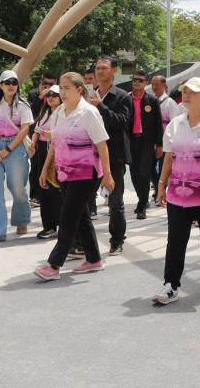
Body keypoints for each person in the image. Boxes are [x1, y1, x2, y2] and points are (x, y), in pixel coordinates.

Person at [152, 77, 200, 304]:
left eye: (192, 92)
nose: (186, 95)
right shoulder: (175, 124)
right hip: (178, 194)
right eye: (184, 91)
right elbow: (169, 157)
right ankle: (170, 285)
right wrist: (161, 185)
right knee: (176, 239)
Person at [33, 73, 115, 280]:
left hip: (86, 173)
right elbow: (56, 141)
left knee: (68, 216)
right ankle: (94, 259)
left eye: (67, 88)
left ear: (79, 89)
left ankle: (53, 265)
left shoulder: (89, 112)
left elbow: (102, 144)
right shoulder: (58, 112)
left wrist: (108, 175)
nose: (62, 92)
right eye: (60, 88)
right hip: (65, 172)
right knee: (81, 216)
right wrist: (45, 168)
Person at [0, 69, 34, 244]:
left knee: (17, 187)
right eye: (7, 82)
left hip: (15, 147)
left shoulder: (23, 105)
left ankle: (21, 219)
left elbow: (25, 129)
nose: (11, 86)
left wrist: (8, 149)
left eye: (14, 82)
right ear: (1, 85)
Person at [89, 56, 132, 255]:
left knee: (115, 201)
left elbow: (122, 122)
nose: (100, 71)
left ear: (114, 70)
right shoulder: (88, 95)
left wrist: (101, 106)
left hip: (114, 155)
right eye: (97, 68)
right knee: (83, 200)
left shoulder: (122, 96)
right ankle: (81, 242)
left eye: (104, 68)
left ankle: (117, 239)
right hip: (89, 155)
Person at [28, 85, 63, 239]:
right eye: (48, 95)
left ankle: (62, 225)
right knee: (43, 188)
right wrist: (33, 141)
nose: (50, 98)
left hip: (57, 152)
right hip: (42, 151)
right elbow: (37, 130)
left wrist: (51, 134)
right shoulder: (45, 112)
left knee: (56, 190)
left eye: (54, 95)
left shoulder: (64, 112)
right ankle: (49, 226)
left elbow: (61, 134)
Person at [128, 70, 162, 219]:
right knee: (134, 174)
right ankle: (142, 198)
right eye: (134, 79)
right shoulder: (126, 98)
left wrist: (160, 144)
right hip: (130, 141)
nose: (136, 82)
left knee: (144, 173)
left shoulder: (152, 101)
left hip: (147, 142)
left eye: (140, 80)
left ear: (146, 83)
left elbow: (158, 124)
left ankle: (142, 205)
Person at [150, 73, 184, 202]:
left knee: (163, 168)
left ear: (164, 85)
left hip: (166, 142)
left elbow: (175, 123)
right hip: (152, 141)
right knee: (149, 168)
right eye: (152, 84)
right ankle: (157, 188)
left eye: (157, 84)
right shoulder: (151, 101)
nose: (154, 87)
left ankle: (161, 191)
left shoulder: (170, 103)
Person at [26, 72, 57, 204]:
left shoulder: (60, 105)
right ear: (41, 83)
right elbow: (32, 113)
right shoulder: (34, 94)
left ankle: (51, 196)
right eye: (45, 83)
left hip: (54, 144)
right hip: (38, 137)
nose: (48, 87)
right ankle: (35, 196)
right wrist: (40, 96)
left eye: (51, 84)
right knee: (36, 167)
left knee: (51, 170)